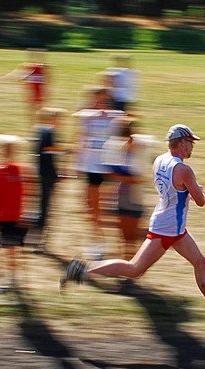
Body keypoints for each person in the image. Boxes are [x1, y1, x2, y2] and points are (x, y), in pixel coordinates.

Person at [61, 124, 205, 327]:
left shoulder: (160, 160)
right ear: (181, 143)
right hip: (168, 228)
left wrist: (187, 192)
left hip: (171, 225)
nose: (192, 147)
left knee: (201, 263)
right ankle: (83, 270)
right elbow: (201, 201)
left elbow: (172, 190)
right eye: (190, 142)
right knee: (135, 269)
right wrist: (196, 189)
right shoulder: (184, 170)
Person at [73, 86, 122, 259]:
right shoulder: (86, 117)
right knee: (90, 206)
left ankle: (102, 242)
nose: (100, 103)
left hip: (106, 167)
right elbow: (81, 139)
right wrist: (77, 163)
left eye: (104, 99)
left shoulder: (115, 118)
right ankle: (97, 240)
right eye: (97, 99)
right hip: (90, 167)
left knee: (103, 207)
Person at [0, 135, 30, 291]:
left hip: (12, 216)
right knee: (6, 249)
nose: (6, 152)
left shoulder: (16, 170)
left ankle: (11, 280)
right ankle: (8, 279)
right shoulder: (3, 171)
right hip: (5, 216)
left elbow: (26, 193)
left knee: (10, 250)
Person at [103, 117, 148, 260]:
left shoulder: (141, 150)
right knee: (124, 237)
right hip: (121, 196)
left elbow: (138, 177)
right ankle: (126, 264)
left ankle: (131, 264)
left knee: (130, 237)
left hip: (133, 197)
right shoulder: (119, 150)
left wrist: (118, 176)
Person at [32, 107, 67, 251]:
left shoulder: (41, 131)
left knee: (43, 207)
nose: (61, 122)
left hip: (43, 174)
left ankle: (38, 239)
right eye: (59, 119)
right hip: (48, 176)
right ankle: (39, 241)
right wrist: (66, 151)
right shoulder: (50, 132)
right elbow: (48, 152)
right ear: (53, 119)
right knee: (46, 208)